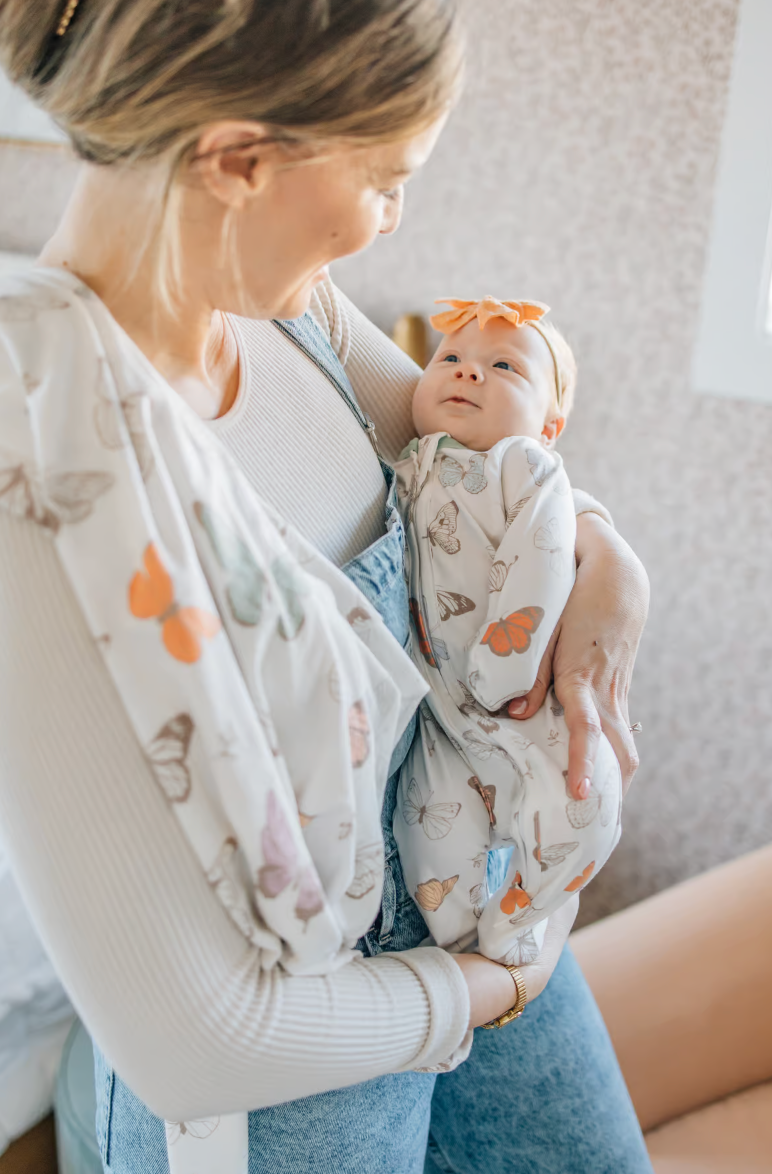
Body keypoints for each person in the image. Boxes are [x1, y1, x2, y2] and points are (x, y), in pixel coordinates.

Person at [0, 2, 652, 1171]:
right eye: (386, 178)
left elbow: (467, 453)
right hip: (300, 1053)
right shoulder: (43, 449)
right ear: (239, 160)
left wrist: (606, 553)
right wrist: (491, 989)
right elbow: (198, 1039)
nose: (392, 219)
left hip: (472, 885)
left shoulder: (285, 311)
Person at [393, 297, 621, 966]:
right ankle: (465, 938)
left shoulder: (527, 469)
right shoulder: (409, 461)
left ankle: (525, 908)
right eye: (450, 359)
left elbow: (540, 558)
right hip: (443, 719)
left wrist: (506, 662)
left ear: (549, 426)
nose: (468, 374)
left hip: (523, 699)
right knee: (428, 825)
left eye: (503, 366)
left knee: (585, 801)